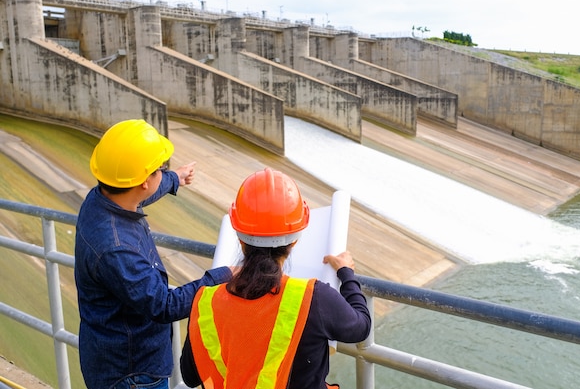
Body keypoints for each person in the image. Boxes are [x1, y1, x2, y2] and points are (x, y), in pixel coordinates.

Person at [74, 119, 233, 389]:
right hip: (132, 372)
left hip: (111, 353)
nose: (163, 171)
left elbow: (137, 192)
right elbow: (164, 305)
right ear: (144, 181)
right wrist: (223, 276)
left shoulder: (100, 198)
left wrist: (175, 179)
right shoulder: (117, 249)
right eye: (161, 169)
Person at [180, 168, 371, 389]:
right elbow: (361, 327)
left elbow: (190, 376)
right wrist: (346, 274)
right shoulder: (314, 298)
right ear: (293, 242)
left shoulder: (205, 302)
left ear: (240, 241)